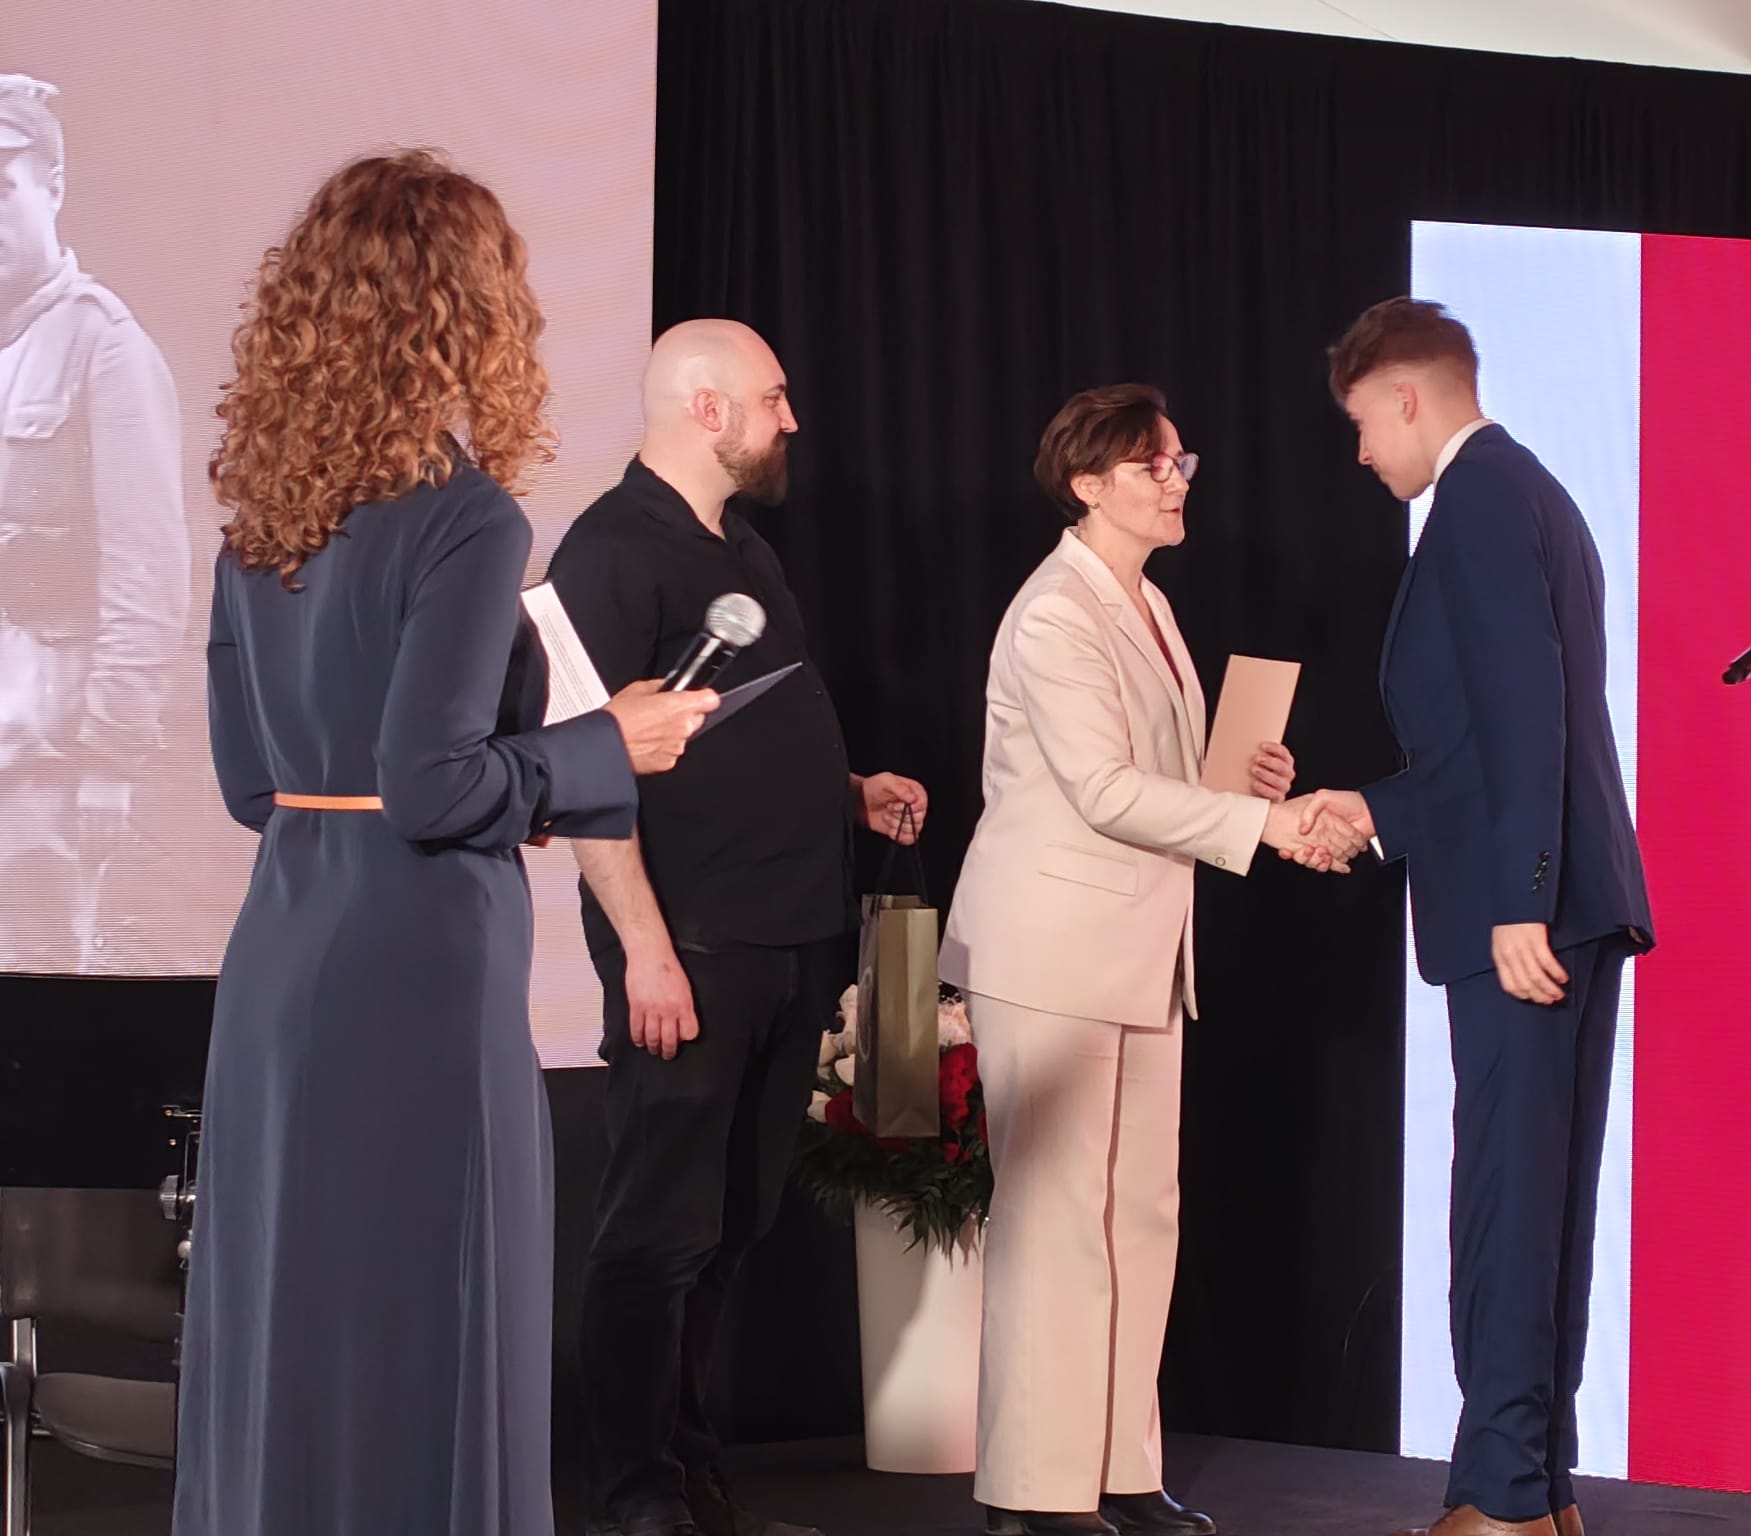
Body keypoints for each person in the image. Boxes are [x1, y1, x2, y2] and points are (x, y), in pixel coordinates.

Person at [177, 150, 717, 1536]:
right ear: (469, 311)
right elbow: (429, 790)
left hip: (283, 945)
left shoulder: (258, 527)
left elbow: (250, 785)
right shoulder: (469, 518)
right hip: (417, 955)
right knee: (430, 1297)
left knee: (296, 1303)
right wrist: (609, 745)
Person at [937, 384, 1358, 1536]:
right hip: (1050, 948)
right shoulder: (1052, 613)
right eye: (1150, 465)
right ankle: (1031, 1493)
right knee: (1055, 1219)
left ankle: (1119, 1472)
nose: (1175, 481)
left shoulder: (1148, 600)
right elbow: (1101, 791)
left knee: (1138, 1216)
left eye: (1180, 462)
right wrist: (1266, 826)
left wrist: (1247, 782)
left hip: (1136, 946)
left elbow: (1160, 780)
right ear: (1086, 484)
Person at [550, 319, 930, 1536]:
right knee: (655, 1234)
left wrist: (848, 791)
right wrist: (645, 953)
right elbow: (587, 773)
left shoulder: (744, 548)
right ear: (706, 409)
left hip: (785, 938)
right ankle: (634, 1493)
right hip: (693, 948)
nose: (790, 420)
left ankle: (694, 1476)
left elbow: (738, 731)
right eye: (773, 399)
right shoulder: (609, 551)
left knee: (727, 1227)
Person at [1297, 300, 1654, 1536]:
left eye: (1359, 424)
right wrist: (1375, 810)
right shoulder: (1528, 491)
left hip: (1531, 909)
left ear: (1405, 397)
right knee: (1538, 1203)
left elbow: (1522, 711)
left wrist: (1518, 900)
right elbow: (1479, 743)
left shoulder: (1481, 499)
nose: (1359, 454)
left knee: (1507, 1202)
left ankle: (1499, 1502)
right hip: (1563, 895)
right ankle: (1535, 1491)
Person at [0, 73, 189, 973]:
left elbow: (148, 572)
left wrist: (110, 757)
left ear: (54, 187)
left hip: (44, 754)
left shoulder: (104, 346)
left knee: (32, 1004)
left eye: (2, 187)